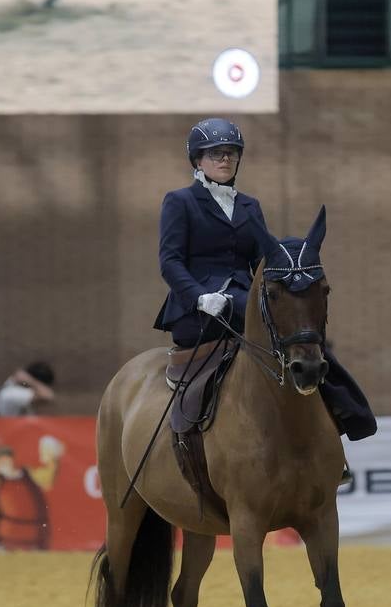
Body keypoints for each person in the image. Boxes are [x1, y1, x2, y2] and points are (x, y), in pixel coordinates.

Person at [154, 118, 376, 441]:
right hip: (198, 309)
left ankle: (343, 416)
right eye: (215, 153)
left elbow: (263, 260)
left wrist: (291, 268)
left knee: (305, 334)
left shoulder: (249, 206)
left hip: (244, 300)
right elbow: (170, 262)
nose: (224, 159)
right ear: (198, 160)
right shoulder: (180, 202)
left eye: (230, 153)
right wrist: (200, 297)